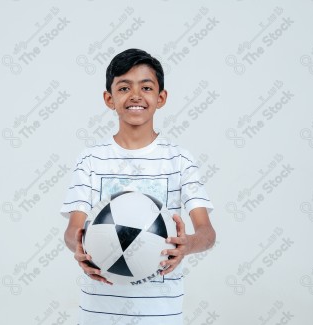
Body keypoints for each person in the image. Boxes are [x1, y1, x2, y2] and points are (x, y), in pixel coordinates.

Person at [61, 48, 216, 325]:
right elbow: (73, 231)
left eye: (146, 87)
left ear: (161, 97)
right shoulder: (90, 159)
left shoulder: (180, 160)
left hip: (161, 315)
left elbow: (207, 233)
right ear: (109, 99)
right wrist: (79, 249)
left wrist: (187, 244)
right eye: (124, 87)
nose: (135, 96)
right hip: (98, 313)